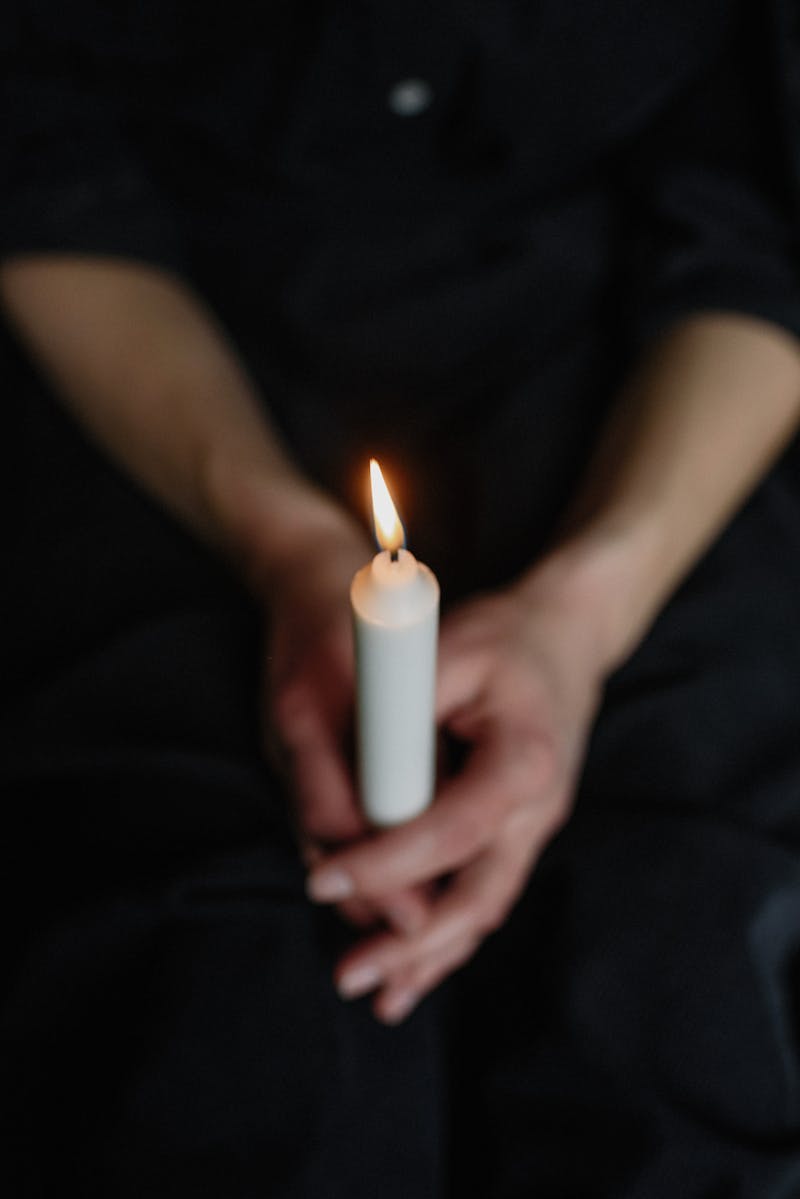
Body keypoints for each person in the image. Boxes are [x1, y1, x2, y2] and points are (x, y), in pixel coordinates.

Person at [2, 1, 800, 1195]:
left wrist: (585, 613)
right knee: (220, 1015)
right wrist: (281, 542)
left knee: (677, 977)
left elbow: (761, 228)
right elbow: (38, 167)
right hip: (170, 384)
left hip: (650, 412)